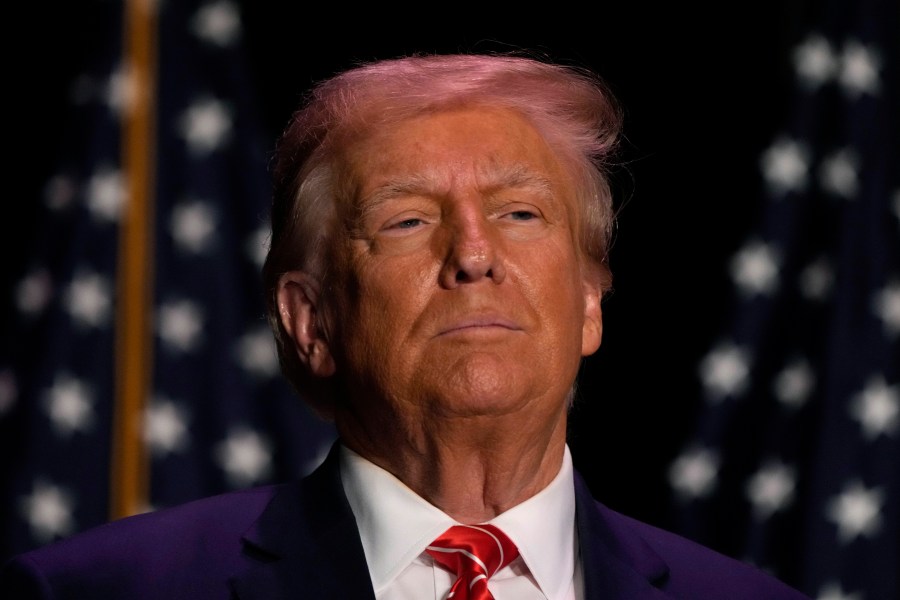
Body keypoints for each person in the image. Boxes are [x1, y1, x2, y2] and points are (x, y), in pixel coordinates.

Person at [0, 52, 810, 599]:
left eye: (521, 213)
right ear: (309, 320)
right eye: (407, 221)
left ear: (590, 302)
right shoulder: (102, 590)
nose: (474, 255)